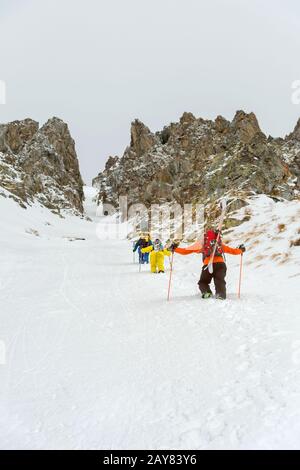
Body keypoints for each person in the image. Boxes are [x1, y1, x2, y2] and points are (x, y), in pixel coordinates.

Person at [171, 230, 245, 299]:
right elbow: (234, 251)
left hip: (207, 265)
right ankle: (220, 294)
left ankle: (206, 292)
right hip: (220, 265)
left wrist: (175, 248)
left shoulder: (203, 246)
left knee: (203, 282)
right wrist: (241, 250)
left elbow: (185, 251)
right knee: (219, 280)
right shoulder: (219, 245)